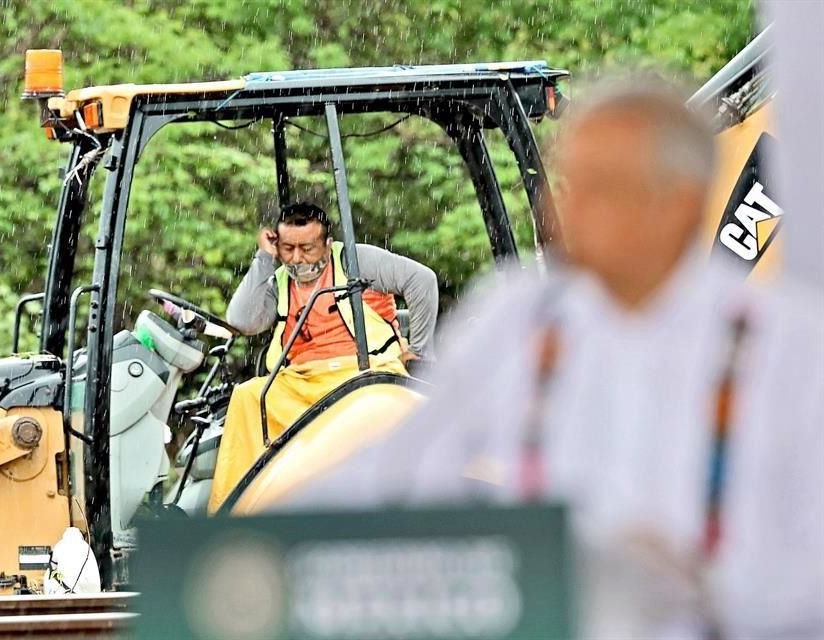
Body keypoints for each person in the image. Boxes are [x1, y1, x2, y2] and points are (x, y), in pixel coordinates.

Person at [283, 79, 824, 638]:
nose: (562, 207)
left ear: (682, 204)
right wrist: (262, 551)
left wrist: (689, 587)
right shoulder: (520, 316)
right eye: (569, 185)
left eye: (600, 187)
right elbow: (396, 468)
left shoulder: (790, 350)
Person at [206, 201, 438, 513]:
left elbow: (422, 281)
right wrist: (264, 258)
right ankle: (239, 510)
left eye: (307, 248)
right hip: (301, 380)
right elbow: (242, 320)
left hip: (361, 374)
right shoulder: (280, 280)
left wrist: (419, 351)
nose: (297, 258)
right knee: (248, 397)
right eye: (288, 248)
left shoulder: (357, 261)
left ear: (327, 244)